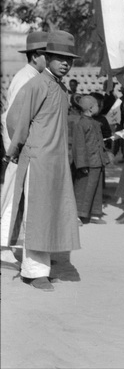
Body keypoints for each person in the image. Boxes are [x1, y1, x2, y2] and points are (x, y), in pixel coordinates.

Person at [4, 30, 81, 291]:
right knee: (37, 215)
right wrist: (21, 148)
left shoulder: (58, 88)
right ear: (46, 57)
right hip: (38, 161)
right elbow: (15, 119)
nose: (65, 63)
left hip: (56, 162)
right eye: (59, 58)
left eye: (69, 59)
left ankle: (45, 266)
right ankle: (33, 272)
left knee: (52, 214)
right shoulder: (35, 85)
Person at [1, 31, 47, 260]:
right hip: (19, 150)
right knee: (12, 197)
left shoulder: (35, 76)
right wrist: (13, 150)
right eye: (48, 54)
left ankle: (16, 246)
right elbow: (10, 118)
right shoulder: (25, 78)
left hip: (27, 149)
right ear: (37, 55)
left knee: (22, 200)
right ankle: (2, 248)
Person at [72, 95, 112, 225]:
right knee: (82, 189)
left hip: (97, 161)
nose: (98, 107)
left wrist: (104, 158)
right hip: (87, 163)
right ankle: (77, 215)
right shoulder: (80, 124)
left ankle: (95, 214)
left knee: (96, 189)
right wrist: (82, 164)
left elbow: (100, 142)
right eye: (96, 105)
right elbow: (79, 145)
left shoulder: (95, 123)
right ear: (90, 108)